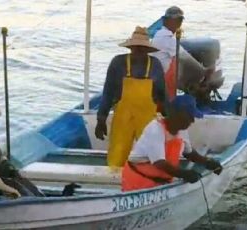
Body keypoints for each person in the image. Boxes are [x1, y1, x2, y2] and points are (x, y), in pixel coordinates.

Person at [95, 26, 166, 169]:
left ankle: (146, 180)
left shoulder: (155, 65)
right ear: (130, 47)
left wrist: (169, 119)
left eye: (142, 48)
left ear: (147, 50)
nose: (138, 51)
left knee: (149, 153)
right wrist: (101, 119)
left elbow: (162, 95)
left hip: (147, 118)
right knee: (117, 153)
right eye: (135, 47)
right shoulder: (118, 63)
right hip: (123, 117)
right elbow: (108, 92)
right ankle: (114, 181)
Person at [121, 94, 222, 191]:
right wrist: (184, 174)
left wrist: (207, 162)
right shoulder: (155, 129)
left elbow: (189, 153)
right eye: (190, 116)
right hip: (138, 182)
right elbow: (159, 163)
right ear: (177, 113)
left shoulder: (182, 130)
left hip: (161, 183)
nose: (192, 121)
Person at [151, 6, 209, 100]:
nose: (179, 24)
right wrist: (204, 71)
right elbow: (186, 58)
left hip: (159, 75)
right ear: (166, 21)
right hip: (164, 79)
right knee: (195, 77)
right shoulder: (167, 38)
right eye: (177, 20)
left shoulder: (159, 34)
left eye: (180, 21)